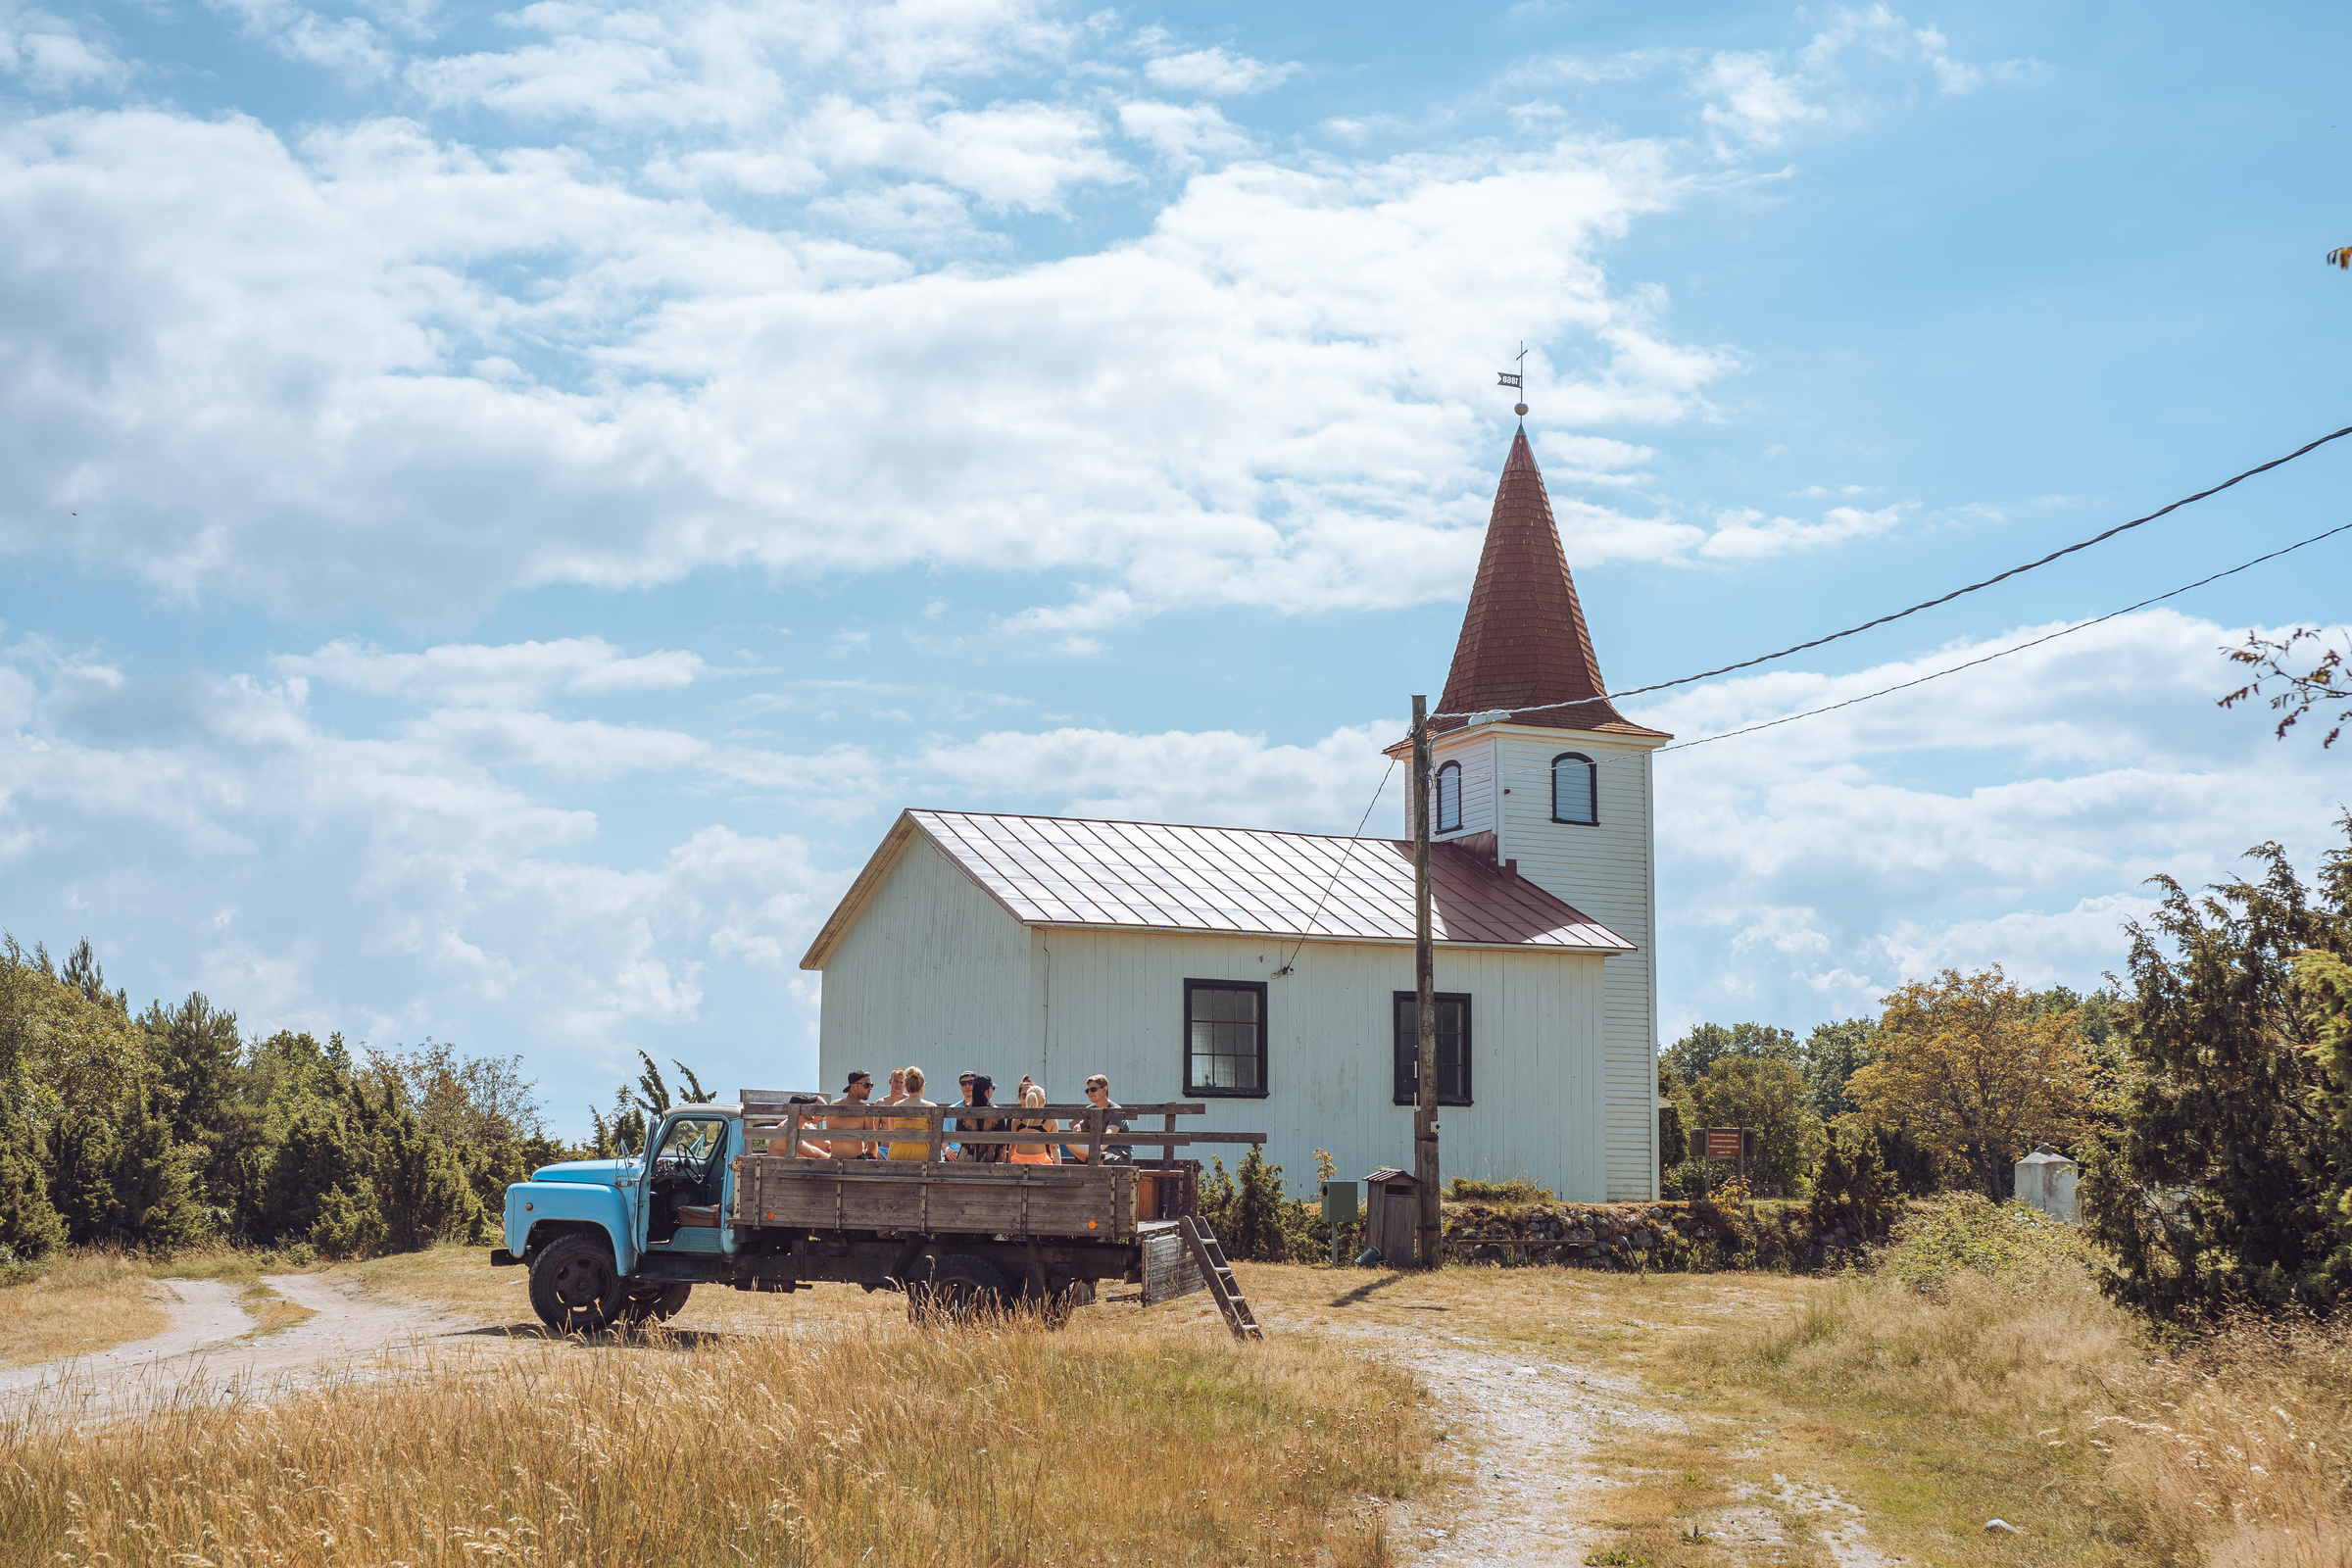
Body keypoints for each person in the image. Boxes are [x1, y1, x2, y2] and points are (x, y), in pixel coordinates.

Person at [1064, 1074, 1133, 1165]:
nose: (1089, 1093)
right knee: (1069, 1141)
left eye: (1093, 1089)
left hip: (1118, 1152)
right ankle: (1095, 1159)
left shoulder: (1116, 1110)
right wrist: (1077, 1128)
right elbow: (1080, 1126)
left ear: (1104, 1089)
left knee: (1105, 1158)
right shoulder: (1090, 1109)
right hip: (1097, 1152)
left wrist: (1095, 1151)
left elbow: (1110, 1135)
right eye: (1087, 1090)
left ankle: (1094, 1159)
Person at [887, 1066, 939, 1161]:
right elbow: (934, 1140)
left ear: (906, 1086)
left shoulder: (895, 1106)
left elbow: (892, 1138)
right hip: (922, 1157)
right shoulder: (931, 1107)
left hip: (897, 1156)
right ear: (922, 1086)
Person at [827, 1070, 878, 1158]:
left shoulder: (833, 1105)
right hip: (856, 1163)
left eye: (871, 1085)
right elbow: (872, 1147)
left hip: (833, 1162)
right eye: (866, 1085)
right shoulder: (865, 1109)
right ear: (854, 1086)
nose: (870, 1088)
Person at [957, 1074, 1005, 1163]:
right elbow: (1002, 1143)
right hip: (990, 1160)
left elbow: (960, 1140)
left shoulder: (964, 1111)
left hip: (966, 1160)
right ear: (989, 1090)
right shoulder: (997, 1112)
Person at [1008, 1083, 1058, 1165]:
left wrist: (1010, 1168)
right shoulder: (1050, 1120)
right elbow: (1054, 1147)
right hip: (1041, 1163)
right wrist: (1059, 1170)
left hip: (1018, 1163)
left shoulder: (1017, 1120)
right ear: (1043, 1101)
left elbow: (1013, 1146)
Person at [878, 1068, 907, 1158]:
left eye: (901, 1082)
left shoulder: (908, 1102)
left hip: (903, 1148)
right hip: (884, 1148)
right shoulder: (881, 1103)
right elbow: (873, 1130)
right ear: (890, 1081)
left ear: (905, 1084)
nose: (898, 1084)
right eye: (896, 1081)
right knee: (875, 1159)